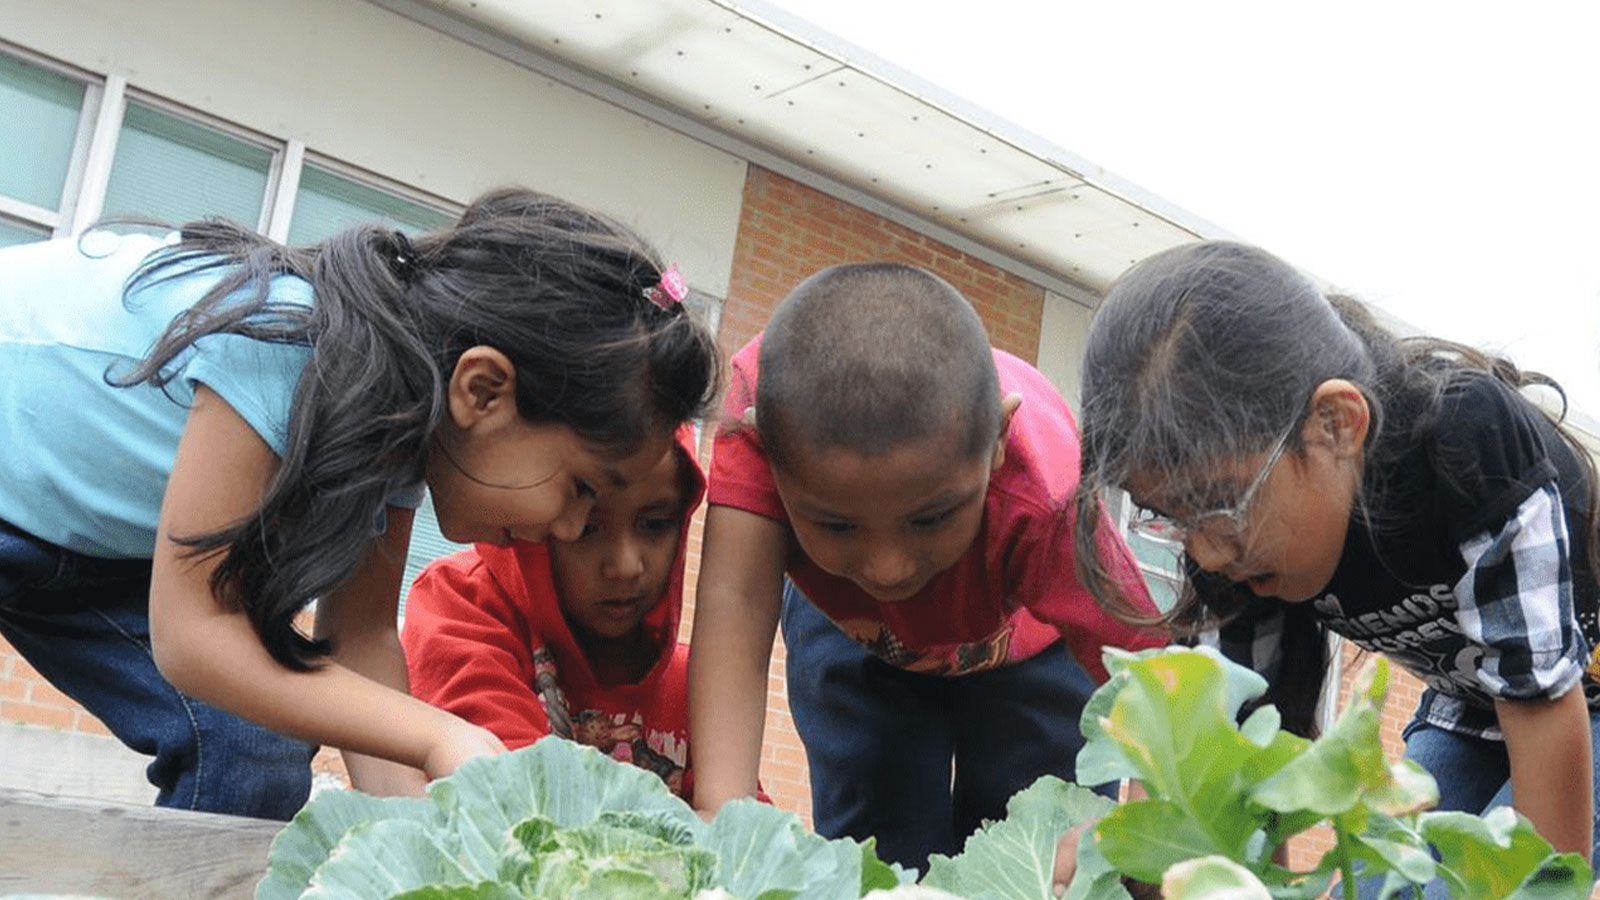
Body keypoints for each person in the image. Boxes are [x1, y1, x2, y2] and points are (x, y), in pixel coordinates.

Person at [0, 188, 718, 819]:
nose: (567, 527)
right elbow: (194, 635)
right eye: (580, 488)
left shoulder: (405, 430)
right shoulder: (288, 345)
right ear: (484, 392)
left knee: (253, 746)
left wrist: (413, 837)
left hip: (83, 542)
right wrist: (438, 734)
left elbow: (360, 635)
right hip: (25, 495)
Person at [1064, 239, 1600, 892]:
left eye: (1219, 503)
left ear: (1336, 425)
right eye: (1171, 515)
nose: (1204, 551)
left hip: (1566, 698)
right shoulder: (1244, 548)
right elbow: (1231, 772)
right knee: (1376, 887)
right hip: (1471, 709)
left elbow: (1542, 715)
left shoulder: (1465, 442)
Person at [688, 261, 1164, 872]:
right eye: (837, 524)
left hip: (1029, 648)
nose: (888, 568)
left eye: (930, 518)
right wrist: (719, 818)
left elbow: (1152, 675)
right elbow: (736, 602)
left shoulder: (1046, 495)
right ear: (768, 456)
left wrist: (1152, 837)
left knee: (1037, 860)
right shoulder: (764, 417)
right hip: (853, 637)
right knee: (880, 859)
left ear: (997, 442)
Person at [402, 424, 704, 799]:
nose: (626, 565)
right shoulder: (460, 607)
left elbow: (740, 829)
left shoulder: (696, 690)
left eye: (655, 525)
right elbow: (510, 798)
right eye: (588, 528)